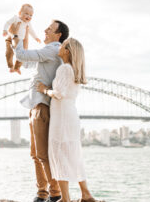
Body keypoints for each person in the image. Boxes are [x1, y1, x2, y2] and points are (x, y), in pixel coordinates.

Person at [12, 20, 69, 202]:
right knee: (36, 155)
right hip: (36, 106)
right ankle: (42, 193)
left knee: (43, 154)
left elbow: (21, 54)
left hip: (42, 108)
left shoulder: (53, 49)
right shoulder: (48, 53)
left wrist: (15, 36)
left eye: (50, 29)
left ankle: (55, 194)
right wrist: (22, 38)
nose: (45, 30)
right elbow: (26, 61)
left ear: (58, 35)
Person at [36, 38, 98, 202]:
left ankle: (65, 199)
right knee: (73, 154)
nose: (59, 46)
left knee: (60, 154)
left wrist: (44, 90)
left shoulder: (64, 68)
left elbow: (58, 93)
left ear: (68, 51)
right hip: (70, 115)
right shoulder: (73, 69)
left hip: (62, 117)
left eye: (63, 45)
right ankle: (86, 194)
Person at [3, 4, 41, 74]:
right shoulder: (15, 18)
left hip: (20, 41)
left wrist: (36, 37)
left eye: (31, 15)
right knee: (9, 52)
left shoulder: (28, 23)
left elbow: (31, 30)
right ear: (20, 13)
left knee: (22, 55)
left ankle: (17, 67)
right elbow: (7, 23)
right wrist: (5, 30)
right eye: (26, 14)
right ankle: (11, 66)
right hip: (10, 38)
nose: (28, 16)